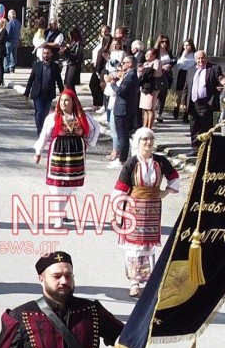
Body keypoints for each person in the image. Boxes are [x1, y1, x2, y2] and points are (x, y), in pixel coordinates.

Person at [113, 128, 180, 297]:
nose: (148, 143)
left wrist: (164, 192)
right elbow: (121, 188)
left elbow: (174, 177)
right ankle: (134, 282)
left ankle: (148, 281)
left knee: (149, 246)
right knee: (134, 246)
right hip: (134, 209)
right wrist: (115, 210)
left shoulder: (160, 161)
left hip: (153, 209)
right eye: (144, 140)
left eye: (150, 140)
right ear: (138, 142)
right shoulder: (132, 163)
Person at [33, 89, 100, 228]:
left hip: (76, 154)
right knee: (56, 186)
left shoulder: (82, 116)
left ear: (73, 102)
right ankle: (58, 218)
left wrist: (88, 142)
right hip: (58, 151)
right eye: (61, 100)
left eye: (67, 100)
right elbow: (44, 135)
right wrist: (38, 151)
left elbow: (95, 128)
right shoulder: (53, 117)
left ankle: (60, 212)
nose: (63, 103)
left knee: (69, 187)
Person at [184, 49, 223, 151]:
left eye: (203, 58)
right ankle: (195, 149)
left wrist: (220, 88)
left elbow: (220, 83)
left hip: (206, 102)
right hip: (193, 102)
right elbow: (186, 87)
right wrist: (183, 102)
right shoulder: (190, 70)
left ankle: (205, 149)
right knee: (194, 126)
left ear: (206, 58)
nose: (201, 60)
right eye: (198, 58)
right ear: (195, 59)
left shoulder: (214, 68)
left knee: (205, 127)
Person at [24, 46, 63, 136]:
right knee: (39, 112)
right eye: (44, 53)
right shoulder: (37, 66)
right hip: (38, 94)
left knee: (45, 114)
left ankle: (44, 130)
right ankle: (40, 131)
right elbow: (31, 79)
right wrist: (27, 92)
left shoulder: (55, 67)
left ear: (51, 54)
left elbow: (59, 81)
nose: (46, 55)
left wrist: (63, 93)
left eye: (47, 53)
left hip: (48, 94)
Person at [111, 55, 139, 166]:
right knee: (122, 134)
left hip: (123, 109)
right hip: (122, 107)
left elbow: (121, 92)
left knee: (122, 135)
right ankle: (122, 158)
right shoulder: (128, 74)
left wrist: (112, 83)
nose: (122, 64)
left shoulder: (131, 75)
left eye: (124, 62)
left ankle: (122, 159)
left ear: (130, 63)